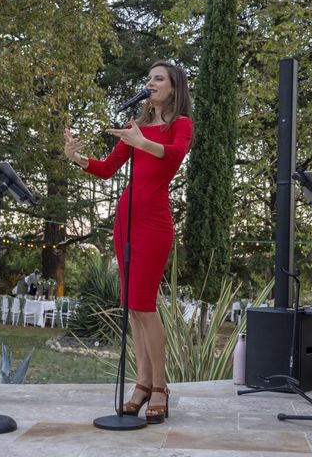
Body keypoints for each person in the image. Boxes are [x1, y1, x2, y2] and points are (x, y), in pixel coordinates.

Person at [64, 61, 193, 424]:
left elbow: (176, 154)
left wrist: (143, 141)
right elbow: (106, 169)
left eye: (158, 79)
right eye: (149, 78)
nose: (150, 83)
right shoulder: (138, 127)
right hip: (125, 221)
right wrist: (77, 158)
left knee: (144, 304)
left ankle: (160, 388)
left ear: (173, 87)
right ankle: (142, 382)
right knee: (132, 308)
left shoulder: (179, 125)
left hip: (154, 224)